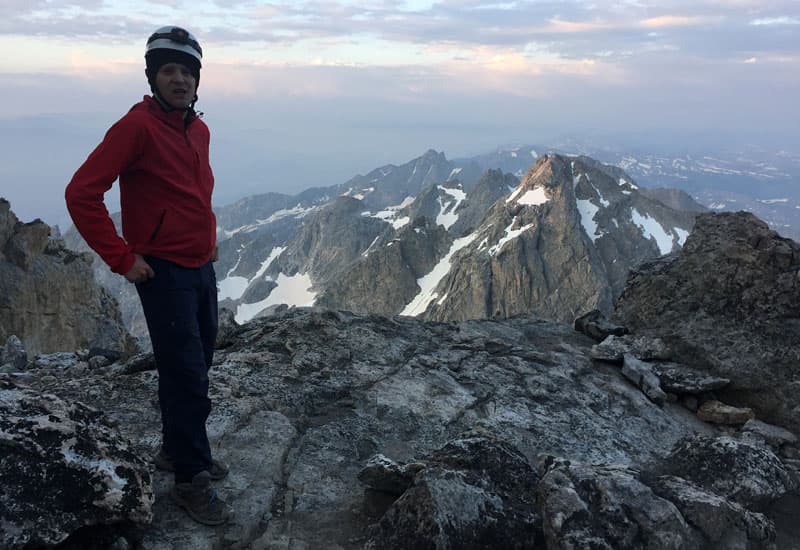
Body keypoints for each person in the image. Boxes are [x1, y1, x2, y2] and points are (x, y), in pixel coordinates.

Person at [65, 25, 232, 526]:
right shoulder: (136, 127)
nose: (179, 80)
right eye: (169, 71)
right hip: (163, 273)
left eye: (187, 71)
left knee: (197, 360)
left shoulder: (196, 127)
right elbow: (81, 193)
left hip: (199, 267)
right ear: (153, 76)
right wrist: (121, 258)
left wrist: (208, 242)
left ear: (197, 80)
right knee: (185, 374)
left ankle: (175, 449)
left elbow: (190, 194)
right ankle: (190, 478)